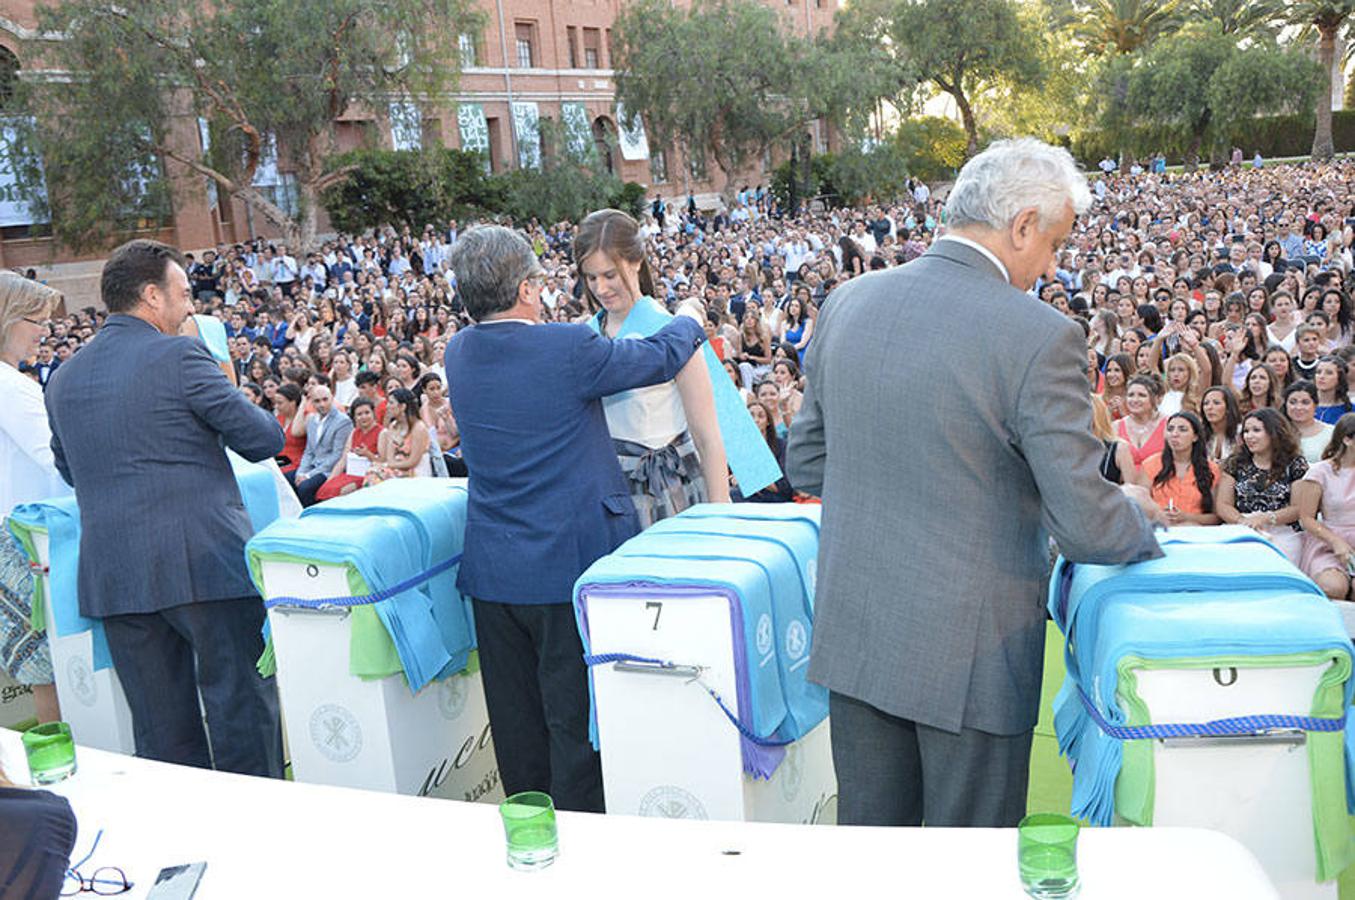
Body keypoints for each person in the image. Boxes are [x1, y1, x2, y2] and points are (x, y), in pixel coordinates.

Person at [787, 139, 1161, 829]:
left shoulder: (847, 300)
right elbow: (1085, 523)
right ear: (1021, 224)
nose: (1050, 265)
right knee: (968, 868)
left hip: (858, 637)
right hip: (970, 656)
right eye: (1052, 243)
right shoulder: (1038, 334)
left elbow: (806, 462)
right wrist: (1143, 517)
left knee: (875, 861)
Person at [443, 225, 707, 813]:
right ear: (530, 289)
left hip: (493, 574)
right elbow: (659, 356)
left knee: (516, 729)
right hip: (566, 569)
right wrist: (690, 316)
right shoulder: (565, 347)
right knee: (574, 725)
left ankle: (532, 839)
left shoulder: (457, 351)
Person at [44, 239, 285, 777]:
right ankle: (262, 832)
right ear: (151, 296)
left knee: (160, 732)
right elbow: (263, 438)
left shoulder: (63, 377)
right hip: (204, 565)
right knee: (239, 712)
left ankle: (187, 844)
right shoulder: (180, 354)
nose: (191, 305)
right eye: (182, 293)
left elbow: (70, 469)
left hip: (116, 573)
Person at [576, 209, 730, 527]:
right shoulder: (587, 332)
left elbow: (707, 436)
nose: (601, 288)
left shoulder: (670, 329)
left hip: (670, 489)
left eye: (609, 275)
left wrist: (721, 517)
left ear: (635, 262)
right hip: (606, 488)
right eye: (592, 278)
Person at [0, 272, 68, 724]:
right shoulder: (9, 385)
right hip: (25, 538)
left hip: (18, 530)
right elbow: (55, 456)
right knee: (48, 669)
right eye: (35, 320)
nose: (44, 331)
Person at [1217, 407, 1308, 562]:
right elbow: (1223, 505)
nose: (1249, 436)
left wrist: (1265, 518)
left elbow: (1298, 508)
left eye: (1256, 430)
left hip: (1281, 529)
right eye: (1246, 431)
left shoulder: (1295, 464)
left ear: (1273, 433)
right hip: (1242, 526)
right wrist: (1243, 522)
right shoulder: (1235, 462)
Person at [1296, 413, 1355, 600]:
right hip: (1329, 541)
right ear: (1347, 440)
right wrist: (1335, 542)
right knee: (1333, 587)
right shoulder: (1321, 472)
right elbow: (1306, 518)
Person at [1135, 411, 1221, 525]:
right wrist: (1158, 514)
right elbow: (1137, 507)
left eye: (1182, 429)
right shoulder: (1151, 464)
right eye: (1170, 429)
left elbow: (1216, 518)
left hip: (1195, 531)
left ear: (1195, 437)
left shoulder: (1211, 469)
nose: (1174, 434)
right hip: (1159, 529)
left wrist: (1186, 517)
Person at [287, 383, 353, 506]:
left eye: (325, 399)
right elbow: (309, 451)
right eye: (317, 401)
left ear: (332, 398)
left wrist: (308, 475)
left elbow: (337, 455)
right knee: (286, 480)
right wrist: (301, 472)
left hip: (328, 470)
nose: (322, 404)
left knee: (305, 487)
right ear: (312, 403)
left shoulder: (343, 421)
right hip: (312, 465)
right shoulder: (311, 420)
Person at [315, 396, 383, 501]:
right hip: (351, 473)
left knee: (343, 492)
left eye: (367, 413)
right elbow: (343, 460)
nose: (364, 417)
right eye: (359, 414)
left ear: (373, 413)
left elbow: (384, 462)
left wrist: (368, 454)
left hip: (369, 475)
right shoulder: (354, 432)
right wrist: (330, 479)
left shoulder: (382, 432)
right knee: (326, 489)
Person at [1116, 375, 1167, 470]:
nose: (1135, 400)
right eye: (1131, 395)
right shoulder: (1115, 427)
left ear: (1155, 399)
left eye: (1142, 395)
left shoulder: (1168, 425)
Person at [1284, 380, 1333, 464]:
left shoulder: (1331, 433)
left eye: (1305, 402)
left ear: (1315, 405)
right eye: (1293, 402)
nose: (1298, 407)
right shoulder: (1277, 431)